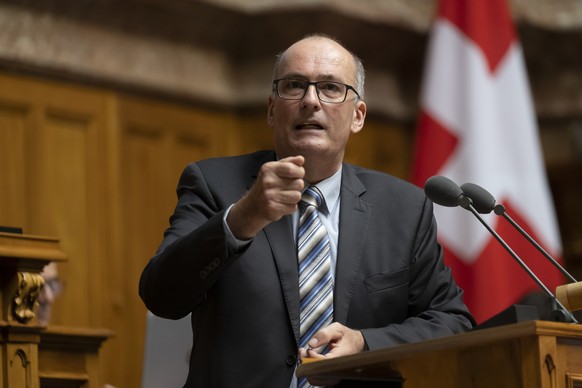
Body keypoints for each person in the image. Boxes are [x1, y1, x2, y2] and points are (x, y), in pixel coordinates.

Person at [139, 33, 475, 388]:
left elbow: (453, 321)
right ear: (272, 109)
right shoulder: (213, 183)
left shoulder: (404, 208)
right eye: (295, 86)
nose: (310, 101)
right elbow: (161, 296)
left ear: (357, 116)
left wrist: (366, 343)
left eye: (330, 88)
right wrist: (243, 218)